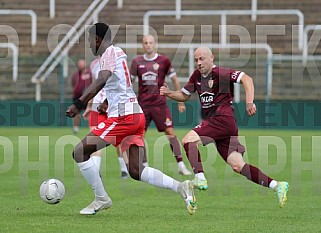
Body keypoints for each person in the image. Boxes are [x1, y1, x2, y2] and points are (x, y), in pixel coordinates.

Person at [65, 22, 196, 215]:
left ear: (97, 39)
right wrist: (108, 102)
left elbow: (101, 80)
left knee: (79, 152)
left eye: (89, 41)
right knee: (137, 170)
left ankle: (101, 198)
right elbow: (120, 85)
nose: (89, 45)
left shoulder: (109, 52)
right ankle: (180, 187)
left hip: (123, 118)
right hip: (135, 115)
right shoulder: (117, 54)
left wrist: (79, 103)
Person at [160, 46, 289, 208]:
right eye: (196, 60)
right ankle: (277, 185)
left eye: (202, 59)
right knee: (238, 165)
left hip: (222, 119)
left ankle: (199, 177)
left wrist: (249, 102)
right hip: (223, 126)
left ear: (211, 58)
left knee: (188, 140)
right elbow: (184, 95)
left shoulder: (220, 73)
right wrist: (169, 93)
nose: (199, 63)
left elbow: (246, 79)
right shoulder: (196, 77)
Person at [130, 34, 191, 176]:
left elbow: (175, 79)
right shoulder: (136, 62)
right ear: (142, 45)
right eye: (145, 43)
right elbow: (129, 83)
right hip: (143, 105)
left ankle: (181, 165)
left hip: (160, 105)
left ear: (155, 44)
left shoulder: (164, 61)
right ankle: (144, 166)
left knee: (170, 133)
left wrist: (180, 100)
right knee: (139, 136)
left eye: (150, 42)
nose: (148, 45)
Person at [83, 57, 129, 178]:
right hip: (96, 106)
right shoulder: (93, 64)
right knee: (94, 139)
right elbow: (94, 87)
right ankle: (96, 172)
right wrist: (89, 105)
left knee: (118, 140)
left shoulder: (116, 60)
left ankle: (124, 169)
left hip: (112, 106)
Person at [70, 59, 92, 134]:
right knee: (76, 112)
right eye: (80, 64)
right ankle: (76, 128)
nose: (82, 66)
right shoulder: (75, 75)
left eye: (83, 64)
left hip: (88, 96)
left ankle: (92, 128)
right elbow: (73, 84)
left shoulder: (89, 73)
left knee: (90, 112)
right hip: (78, 97)